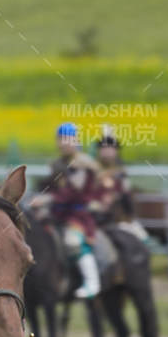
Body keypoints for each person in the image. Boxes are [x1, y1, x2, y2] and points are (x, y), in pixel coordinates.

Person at [43, 122, 102, 299]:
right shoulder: (56, 164)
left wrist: (50, 198)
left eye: (68, 139)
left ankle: (92, 282)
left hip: (78, 215)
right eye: (60, 139)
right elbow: (49, 186)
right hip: (56, 213)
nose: (64, 143)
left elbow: (73, 192)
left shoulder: (83, 164)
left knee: (72, 242)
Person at [91, 131, 149, 242]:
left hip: (120, 218)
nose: (107, 151)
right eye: (104, 147)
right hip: (97, 217)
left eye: (111, 147)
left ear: (116, 151)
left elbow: (126, 197)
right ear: (99, 150)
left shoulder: (121, 173)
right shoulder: (92, 171)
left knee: (142, 238)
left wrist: (129, 217)